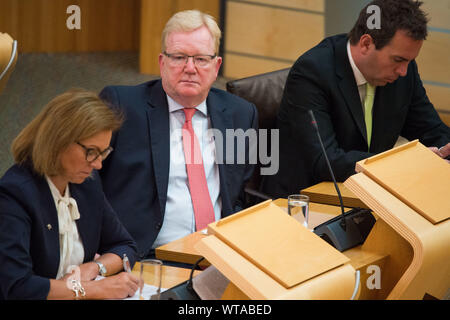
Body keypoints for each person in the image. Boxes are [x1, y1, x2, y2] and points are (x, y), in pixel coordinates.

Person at [99, 10, 257, 259]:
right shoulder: (122, 106)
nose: (190, 68)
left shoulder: (240, 114)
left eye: (201, 59)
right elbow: (86, 182)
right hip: (147, 256)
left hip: (221, 255)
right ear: (162, 63)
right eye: (180, 57)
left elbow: (241, 193)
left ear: (216, 66)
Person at [262, 0, 450, 198]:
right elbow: (325, 160)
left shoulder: (403, 71)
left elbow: (431, 129)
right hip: (306, 200)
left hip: (367, 193)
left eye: (409, 61)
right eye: (398, 60)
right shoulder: (312, 72)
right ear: (366, 43)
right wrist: (402, 165)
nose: (403, 71)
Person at [0, 89, 139, 300]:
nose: (98, 164)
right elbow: (18, 286)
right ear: (58, 141)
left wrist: (95, 268)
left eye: (103, 153)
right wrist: (96, 289)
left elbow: (125, 246)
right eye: (91, 152)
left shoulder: (85, 185)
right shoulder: (16, 193)